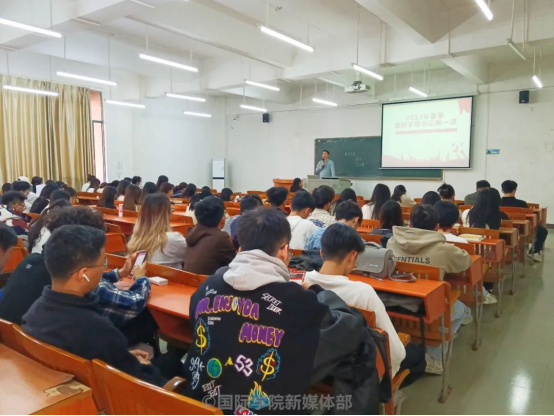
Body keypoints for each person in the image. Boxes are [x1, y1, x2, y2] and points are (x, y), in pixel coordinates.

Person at [184, 208, 371, 413]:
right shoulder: (297, 300)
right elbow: (349, 329)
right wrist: (317, 291)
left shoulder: (206, 288)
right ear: (284, 250)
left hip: (198, 406)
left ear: (240, 248)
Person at [21, 225, 175, 387]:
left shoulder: (34, 312)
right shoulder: (96, 328)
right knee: (172, 363)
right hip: (124, 392)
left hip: (70, 385)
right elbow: (145, 379)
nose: (103, 270)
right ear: (84, 274)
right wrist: (142, 365)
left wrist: (122, 355)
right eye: (103, 264)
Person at [1, 208, 151, 333]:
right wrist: (140, 278)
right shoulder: (77, 283)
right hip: (50, 348)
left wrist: (119, 274)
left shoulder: (33, 260)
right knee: (146, 319)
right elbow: (133, 303)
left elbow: (88, 277)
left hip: (16, 342)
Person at [306, 223, 406, 376]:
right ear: (352, 256)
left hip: (314, 367)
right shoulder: (363, 293)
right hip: (351, 375)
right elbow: (396, 352)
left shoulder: (302, 282)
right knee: (415, 356)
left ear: (321, 253)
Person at [387, 204, 472, 375]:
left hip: (395, 306)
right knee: (462, 310)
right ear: (436, 227)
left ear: (410, 224)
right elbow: (466, 262)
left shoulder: (391, 242)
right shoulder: (444, 249)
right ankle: (434, 357)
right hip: (428, 310)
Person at [128, 194, 187, 270]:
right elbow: (193, 256)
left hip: (141, 275)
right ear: (167, 213)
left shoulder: (136, 236)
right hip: (165, 277)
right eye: (171, 209)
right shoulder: (174, 239)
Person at [184, 196, 236, 275]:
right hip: (207, 281)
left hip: (190, 280)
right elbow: (235, 262)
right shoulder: (221, 238)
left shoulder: (192, 233)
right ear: (221, 218)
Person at [501, 180, 548, 261]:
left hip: (502, 228)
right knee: (543, 231)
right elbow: (530, 219)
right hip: (521, 229)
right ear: (515, 190)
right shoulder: (521, 203)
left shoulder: (497, 203)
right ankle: (533, 252)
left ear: (502, 191)